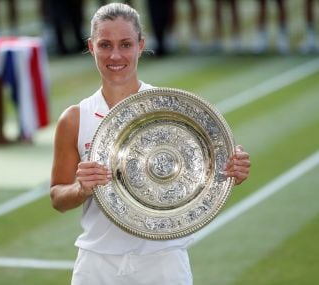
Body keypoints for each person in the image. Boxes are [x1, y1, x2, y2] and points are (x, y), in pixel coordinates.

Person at [50, 3, 251, 284]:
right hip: (97, 266)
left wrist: (231, 171)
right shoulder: (74, 118)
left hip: (164, 262)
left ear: (141, 45)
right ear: (91, 46)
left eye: (125, 44)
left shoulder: (174, 109)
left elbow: (204, 171)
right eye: (105, 44)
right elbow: (58, 197)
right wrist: (81, 189)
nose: (115, 55)